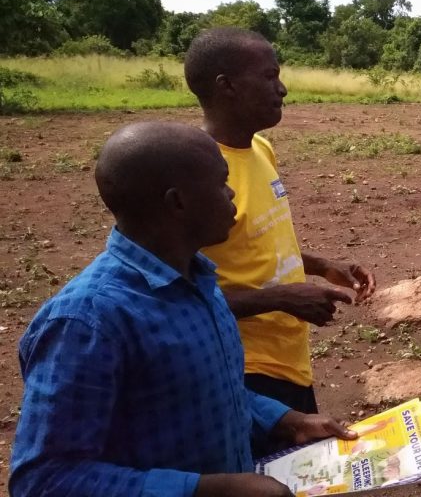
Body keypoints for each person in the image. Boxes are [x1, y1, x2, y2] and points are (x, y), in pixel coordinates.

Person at [10, 122, 358, 497]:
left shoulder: (198, 279)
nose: (232, 194)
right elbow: (43, 479)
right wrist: (204, 490)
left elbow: (209, 390)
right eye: (221, 183)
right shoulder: (88, 321)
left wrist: (288, 421)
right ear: (177, 202)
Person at [183, 28, 376, 430]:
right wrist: (280, 298)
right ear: (227, 86)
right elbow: (178, 301)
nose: (282, 89)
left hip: (288, 356)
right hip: (243, 367)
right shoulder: (195, 176)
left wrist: (322, 265)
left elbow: (256, 243)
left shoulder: (259, 149)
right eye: (269, 76)